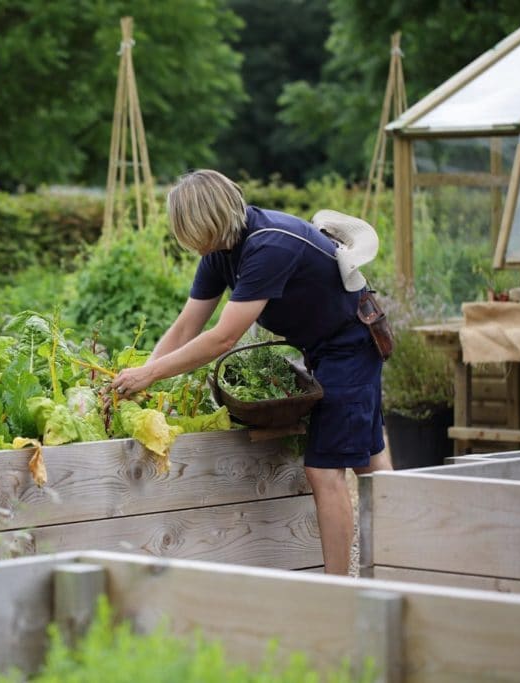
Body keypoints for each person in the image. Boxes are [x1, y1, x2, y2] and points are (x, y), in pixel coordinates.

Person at [110, 169, 392, 575]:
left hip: (349, 345)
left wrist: (150, 376)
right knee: (368, 462)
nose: (187, 240)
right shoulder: (220, 253)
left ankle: (338, 589)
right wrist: (141, 374)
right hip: (323, 347)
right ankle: (401, 559)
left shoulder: (268, 245)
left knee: (324, 469)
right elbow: (185, 327)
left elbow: (222, 339)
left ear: (206, 221)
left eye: (187, 229)